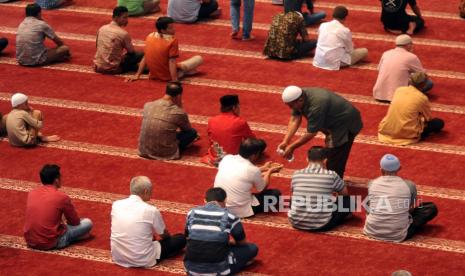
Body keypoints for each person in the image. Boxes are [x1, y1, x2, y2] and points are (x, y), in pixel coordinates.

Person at [278, 86, 363, 178]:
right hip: (333, 123)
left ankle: (336, 183)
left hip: (344, 125)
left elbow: (311, 133)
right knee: (331, 154)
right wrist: (285, 141)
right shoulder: (299, 96)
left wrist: (292, 147)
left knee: (336, 157)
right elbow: (295, 118)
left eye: (291, 106)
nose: (290, 108)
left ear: (300, 100)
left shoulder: (316, 106)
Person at [111, 176, 186, 267]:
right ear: (146, 191)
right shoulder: (150, 210)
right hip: (142, 259)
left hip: (118, 256)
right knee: (180, 239)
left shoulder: (116, 204)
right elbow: (164, 235)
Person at [364, 154, 438, 242]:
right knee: (430, 208)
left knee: (369, 201)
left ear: (381, 170)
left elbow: (367, 206)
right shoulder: (409, 185)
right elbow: (409, 209)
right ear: (399, 168)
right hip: (398, 235)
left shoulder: (372, 183)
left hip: (371, 231)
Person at [184, 187, 259, 275]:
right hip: (218, 271)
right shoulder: (230, 216)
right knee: (252, 248)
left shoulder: (191, 213)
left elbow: (188, 237)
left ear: (205, 200)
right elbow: (242, 243)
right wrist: (231, 243)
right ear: (225, 200)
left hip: (190, 269)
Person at [23, 164, 93, 250]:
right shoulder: (61, 197)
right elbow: (74, 222)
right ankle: (71, 239)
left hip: (30, 240)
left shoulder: (32, 193)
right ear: (56, 180)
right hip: (50, 242)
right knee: (87, 223)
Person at [214, 138, 283, 218]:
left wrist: (263, 168)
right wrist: (269, 171)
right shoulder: (253, 170)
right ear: (254, 155)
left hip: (221, 205)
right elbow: (262, 188)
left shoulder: (227, 158)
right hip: (240, 210)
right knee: (275, 194)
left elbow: (239, 172)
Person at [288, 146, 352, 231]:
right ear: (325, 161)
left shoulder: (296, 174)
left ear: (307, 159)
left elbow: (293, 195)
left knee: (294, 199)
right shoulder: (331, 175)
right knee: (349, 202)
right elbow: (344, 194)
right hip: (322, 224)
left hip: (295, 222)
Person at [127, 17, 203, 82]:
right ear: (163, 30)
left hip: (153, 75)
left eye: (173, 27)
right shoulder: (172, 41)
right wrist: (174, 80)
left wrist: (137, 75)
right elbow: (172, 62)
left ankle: (183, 70)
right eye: (170, 28)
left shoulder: (150, 36)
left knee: (188, 69)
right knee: (198, 58)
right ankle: (183, 72)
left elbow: (145, 57)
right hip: (167, 76)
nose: (174, 29)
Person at [378, 72, 444, 145]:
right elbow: (428, 118)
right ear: (424, 85)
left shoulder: (399, 90)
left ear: (410, 81)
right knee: (438, 123)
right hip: (407, 135)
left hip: (387, 130)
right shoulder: (422, 98)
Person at [138, 82, 198, 160]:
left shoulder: (148, 105)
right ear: (179, 96)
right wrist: (179, 106)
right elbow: (187, 129)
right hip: (165, 152)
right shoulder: (178, 112)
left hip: (144, 149)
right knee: (192, 133)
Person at [202, 94, 265, 166]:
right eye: (238, 106)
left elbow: (211, 139)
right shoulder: (240, 122)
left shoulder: (211, 120)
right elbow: (253, 140)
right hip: (233, 159)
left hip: (215, 157)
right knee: (261, 144)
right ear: (234, 107)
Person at [373, 34, 432, 102]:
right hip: (399, 96)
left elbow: (379, 70)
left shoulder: (386, 53)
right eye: (411, 44)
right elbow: (422, 76)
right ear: (408, 45)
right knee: (428, 83)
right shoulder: (411, 57)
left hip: (378, 94)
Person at [313, 6, 368, 70]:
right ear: (345, 17)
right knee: (364, 51)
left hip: (318, 60)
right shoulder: (344, 30)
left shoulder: (323, 25)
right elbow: (350, 50)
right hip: (335, 63)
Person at [94, 6, 143, 74]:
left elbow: (97, 46)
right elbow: (131, 52)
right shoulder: (123, 33)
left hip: (97, 66)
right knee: (141, 54)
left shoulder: (102, 28)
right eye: (124, 17)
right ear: (116, 18)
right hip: (112, 69)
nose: (127, 20)